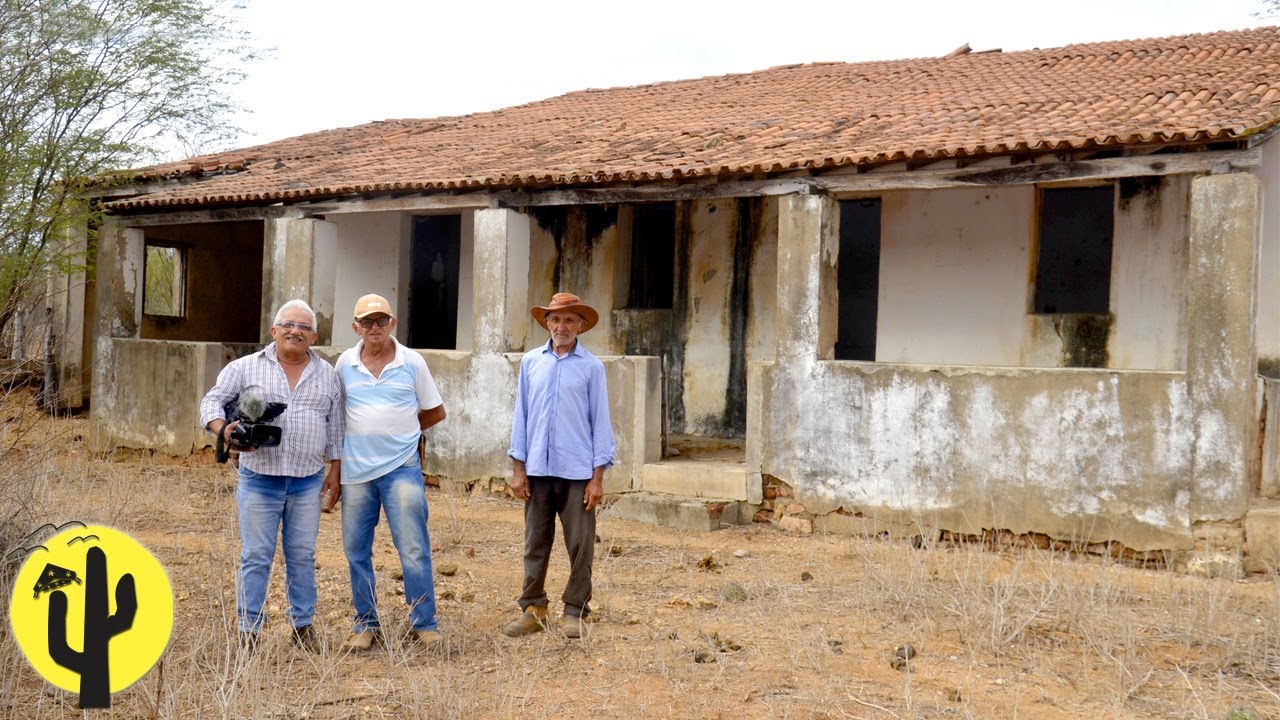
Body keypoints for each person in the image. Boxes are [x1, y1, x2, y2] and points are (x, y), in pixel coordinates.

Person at [199, 299, 344, 653]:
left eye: (304, 327)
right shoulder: (245, 367)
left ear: (315, 336)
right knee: (256, 555)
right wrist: (224, 430)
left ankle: (303, 627)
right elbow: (210, 402)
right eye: (288, 325)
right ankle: (248, 631)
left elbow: (336, 427)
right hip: (260, 479)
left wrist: (336, 471)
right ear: (274, 330)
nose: (296, 331)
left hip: (307, 480)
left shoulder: (328, 375)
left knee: (302, 555)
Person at [331, 293, 446, 651]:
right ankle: (365, 624)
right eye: (367, 322)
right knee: (356, 551)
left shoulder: (412, 362)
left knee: (413, 549)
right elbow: (337, 415)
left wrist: (404, 433)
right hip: (356, 473)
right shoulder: (344, 364)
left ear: (392, 323)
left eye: (381, 320)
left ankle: (424, 623)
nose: (375, 327)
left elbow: (435, 411)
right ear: (356, 327)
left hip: (402, 469)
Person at [503, 292, 615, 640]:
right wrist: (518, 469)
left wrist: (597, 478)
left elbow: (601, 422)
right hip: (537, 469)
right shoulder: (531, 363)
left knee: (580, 544)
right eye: (555, 319)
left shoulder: (591, 367)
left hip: (578, 471)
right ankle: (533, 608)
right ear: (547, 323)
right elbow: (521, 416)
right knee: (535, 541)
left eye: (569, 320)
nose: (561, 326)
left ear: (580, 325)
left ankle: (575, 610)